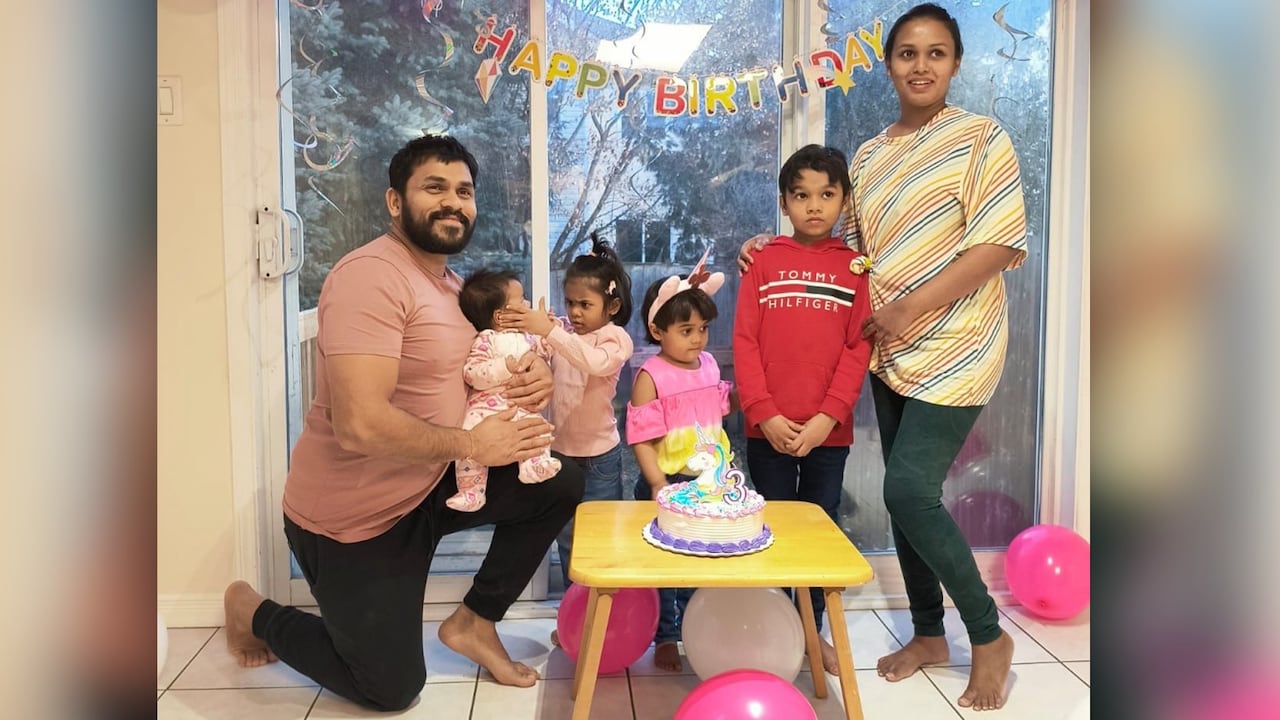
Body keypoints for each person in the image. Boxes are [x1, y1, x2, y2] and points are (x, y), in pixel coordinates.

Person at [221, 135, 584, 712]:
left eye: (463, 191)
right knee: (389, 689)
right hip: (355, 519)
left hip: (428, 485)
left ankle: (474, 622)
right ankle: (254, 613)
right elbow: (359, 426)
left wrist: (531, 374)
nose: (453, 202)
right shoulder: (370, 277)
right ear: (395, 202)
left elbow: (471, 370)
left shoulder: (450, 285)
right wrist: (472, 443)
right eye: (434, 187)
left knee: (561, 479)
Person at [738, 3, 1027, 710]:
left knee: (907, 490)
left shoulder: (982, 138)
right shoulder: (867, 156)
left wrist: (908, 308)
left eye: (935, 53)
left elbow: (998, 246)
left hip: (958, 345)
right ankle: (929, 631)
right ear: (889, 63)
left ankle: (987, 637)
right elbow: (850, 250)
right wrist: (764, 249)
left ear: (956, 63)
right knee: (907, 501)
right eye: (906, 52)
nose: (920, 65)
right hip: (889, 351)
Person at [732, 144, 873, 677]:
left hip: (826, 433)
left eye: (827, 194)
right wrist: (764, 412)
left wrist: (827, 418)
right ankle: (771, 630)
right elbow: (744, 341)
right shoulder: (763, 261)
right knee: (768, 531)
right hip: (766, 428)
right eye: (802, 195)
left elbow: (858, 349)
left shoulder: (856, 268)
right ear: (786, 203)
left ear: (843, 200)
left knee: (818, 534)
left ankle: (812, 633)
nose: (814, 205)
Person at [499, 232, 635, 590]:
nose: (574, 312)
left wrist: (552, 332)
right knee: (567, 539)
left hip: (600, 460)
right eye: (570, 302)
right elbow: (546, 355)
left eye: (584, 305)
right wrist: (540, 336)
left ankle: (605, 619)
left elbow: (592, 363)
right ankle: (575, 619)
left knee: (602, 543)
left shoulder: (615, 338)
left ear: (612, 307)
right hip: (558, 455)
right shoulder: (563, 333)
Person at [626, 257, 731, 672]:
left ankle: (696, 628)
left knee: (701, 558)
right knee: (665, 567)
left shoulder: (708, 364)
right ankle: (665, 635)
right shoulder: (651, 375)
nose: (698, 339)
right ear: (657, 331)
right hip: (667, 483)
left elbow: (718, 412)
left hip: (707, 484)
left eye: (702, 329)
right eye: (686, 331)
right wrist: (655, 482)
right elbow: (641, 437)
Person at [449, 268, 562, 511]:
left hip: (519, 405)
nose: (528, 304)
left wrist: (549, 327)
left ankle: (535, 467)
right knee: (468, 440)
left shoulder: (529, 337)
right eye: (521, 301)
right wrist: (503, 367)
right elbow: (472, 373)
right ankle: (470, 492)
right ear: (501, 317)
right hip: (485, 410)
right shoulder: (485, 339)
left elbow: (548, 349)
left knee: (536, 429)